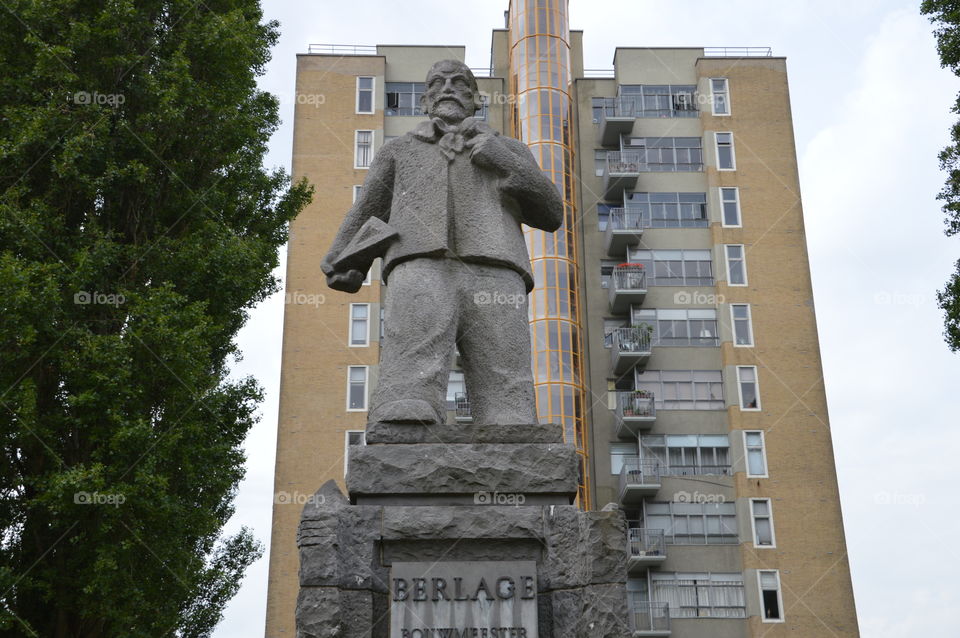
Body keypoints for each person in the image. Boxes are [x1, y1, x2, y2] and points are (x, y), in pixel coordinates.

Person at [322, 59, 563, 426]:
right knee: (412, 351)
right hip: (417, 262)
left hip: (496, 265)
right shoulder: (399, 150)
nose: (448, 88)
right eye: (437, 82)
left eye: (459, 82)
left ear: (476, 99)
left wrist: (503, 162)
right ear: (424, 101)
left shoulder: (509, 149)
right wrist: (340, 258)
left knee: (504, 364)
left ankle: (508, 419)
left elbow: (551, 212)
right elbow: (368, 207)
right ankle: (406, 408)